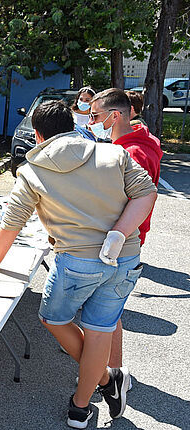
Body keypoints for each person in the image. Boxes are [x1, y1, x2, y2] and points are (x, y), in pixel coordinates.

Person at [0, 100, 156, 428]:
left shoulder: (32, 170)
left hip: (77, 261)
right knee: (100, 330)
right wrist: (118, 234)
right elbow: (146, 193)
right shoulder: (112, 154)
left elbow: (12, 221)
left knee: (53, 319)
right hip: (125, 256)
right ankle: (82, 405)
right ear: (73, 124)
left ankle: (104, 380)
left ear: (37, 134)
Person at [89, 88, 163, 374]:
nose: (92, 119)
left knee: (106, 314)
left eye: (96, 115)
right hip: (123, 239)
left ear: (115, 115)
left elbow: (132, 200)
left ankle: (112, 372)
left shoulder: (131, 153)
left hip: (121, 242)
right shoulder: (140, 141)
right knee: (104, 313)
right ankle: (101, 361)